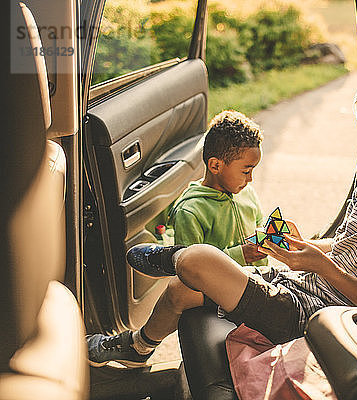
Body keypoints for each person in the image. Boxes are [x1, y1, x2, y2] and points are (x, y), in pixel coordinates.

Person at [122, 61, 357, 347]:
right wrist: (303, 248)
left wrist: (322, 267)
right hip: (298, 288)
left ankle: (171, 256)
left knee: (200, 259)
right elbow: (347, 248)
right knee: (180, 289)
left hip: (319, 318)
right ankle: (136, 348)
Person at [87, 110, 267, 367]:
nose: (250, 179)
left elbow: (257, 223)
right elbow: (193, 271)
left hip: (254, 281)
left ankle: (138, 343)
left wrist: (267, 240)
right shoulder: (190, 211)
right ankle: (140, 343)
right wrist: (241, 254)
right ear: (215, 165)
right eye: (246, 170)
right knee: (181, 281)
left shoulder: (246, 194)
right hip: (222, 290)